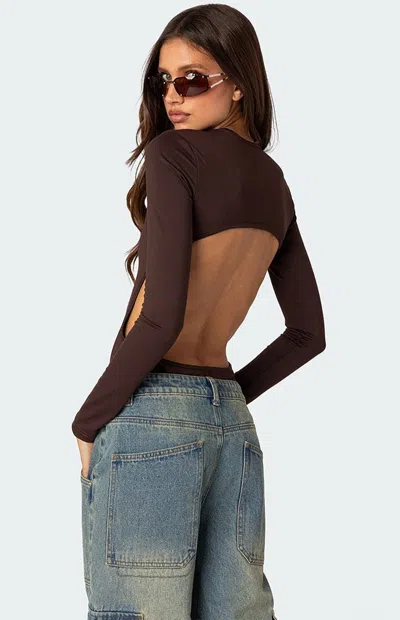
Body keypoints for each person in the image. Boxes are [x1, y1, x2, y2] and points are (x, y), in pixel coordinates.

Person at [72, 4, 326, 619]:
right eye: (163, 81)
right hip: (232, 427)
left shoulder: (174, 155)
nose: (171, 97)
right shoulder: (275, 183)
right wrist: (222, 399)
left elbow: (160, 317)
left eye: (191, 79)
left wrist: (88, 421)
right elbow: (307, 333)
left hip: (149, 415)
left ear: (238, 83)